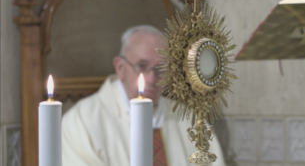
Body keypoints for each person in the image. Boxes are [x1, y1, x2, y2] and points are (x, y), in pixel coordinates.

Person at [62, 25, 226, 166]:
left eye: (161, 69)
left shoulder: (189, 120)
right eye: (141, 66)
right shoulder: (81, 121)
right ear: (120, 67)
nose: (151, 79)